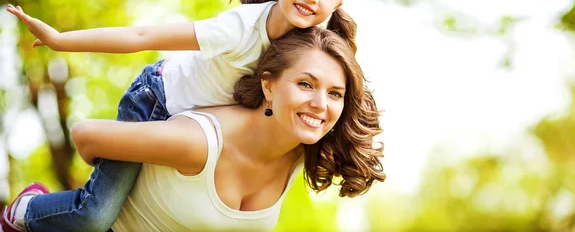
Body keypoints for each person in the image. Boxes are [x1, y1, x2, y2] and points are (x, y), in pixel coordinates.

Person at [2, 0, 358, 231]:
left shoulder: (313, 48)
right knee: (95, 217)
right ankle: (26, 206)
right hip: (158, 98)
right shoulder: (237, 30)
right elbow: (143, 35)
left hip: (199, 122)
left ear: (339, 2)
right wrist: (62, 40)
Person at [4, 27, 385, 232]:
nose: (321, 103)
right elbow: (86, 135)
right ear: (268, 85)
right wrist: (126, 167)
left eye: (335, 93)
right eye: (305, 84)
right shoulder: (198, 142)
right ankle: (25, 208)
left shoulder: (304, 147)